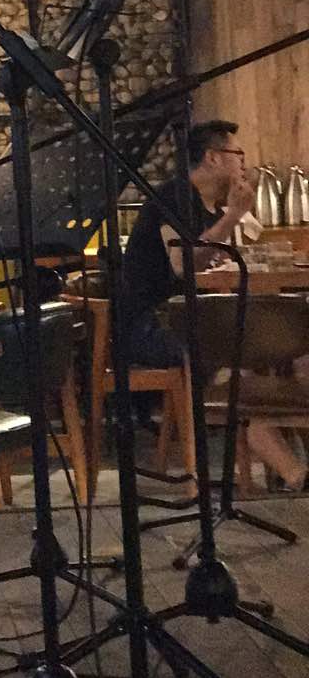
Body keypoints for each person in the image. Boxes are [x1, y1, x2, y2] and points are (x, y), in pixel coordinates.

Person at [122, 120, 305, 489]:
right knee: (247, 355)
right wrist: (233, 216)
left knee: (288, 344)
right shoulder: (175, 196)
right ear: (213, 157)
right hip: (154, 324)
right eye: (238, 154)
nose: (243, 163)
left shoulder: (210, 205)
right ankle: (285, 461)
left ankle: (284, 461)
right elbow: (182, 264)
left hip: (196, 318)